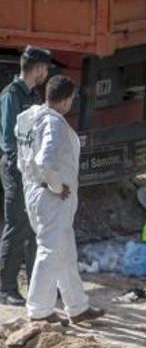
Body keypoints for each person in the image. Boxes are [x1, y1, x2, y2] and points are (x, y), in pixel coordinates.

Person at [16, 75, 104, 324]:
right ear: (66, 100)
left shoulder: (29, 117)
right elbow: (45, 160)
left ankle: (77, 306)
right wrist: (56, 186)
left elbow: (25, 158)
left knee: (64, 250)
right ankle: (39, 310)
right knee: (50, 250)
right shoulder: (53, 123)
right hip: (52, 197)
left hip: (34, 192)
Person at [0, 46, 51, 306]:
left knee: (34, 228)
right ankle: (5, 288)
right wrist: (21, 168)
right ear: (38, 68)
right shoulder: (12, 95)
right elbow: (9, 139)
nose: (46, 74)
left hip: (31, 171)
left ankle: (36, 287)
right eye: (45, 69)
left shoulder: (32, 95)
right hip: (15, 169)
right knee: (17, 225)